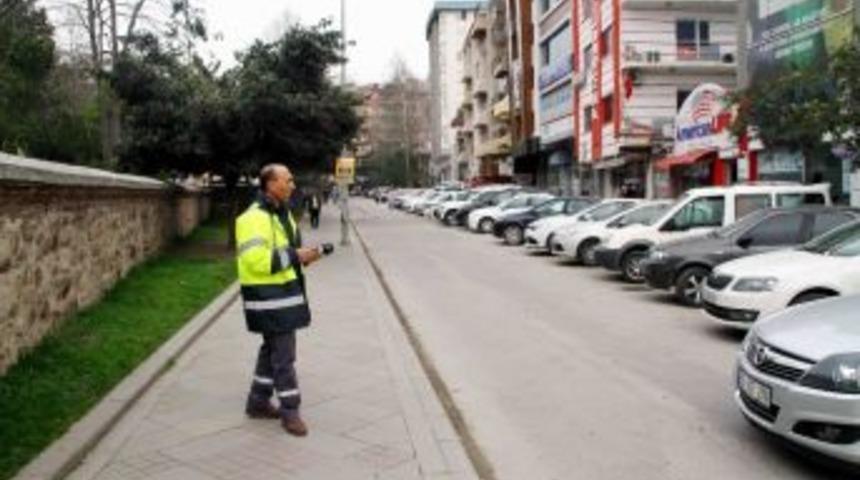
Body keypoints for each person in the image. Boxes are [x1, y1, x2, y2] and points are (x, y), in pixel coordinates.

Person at [235, 164, 322, 436]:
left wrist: (303, 256)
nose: (293, 185)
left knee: (270, 350)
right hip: (267, 299)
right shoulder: (253, 218)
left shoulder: (281, 214)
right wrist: (297, 256)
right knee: (284, 356)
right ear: (271, 184)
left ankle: (258, 402)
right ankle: (290, 412)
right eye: (288, 180)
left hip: (282, 297)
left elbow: (286, 252)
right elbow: (256, 260)